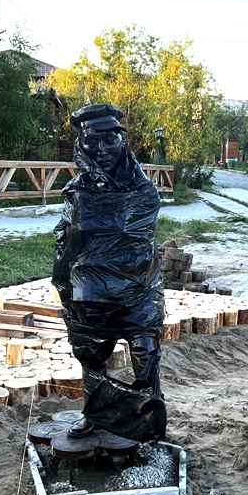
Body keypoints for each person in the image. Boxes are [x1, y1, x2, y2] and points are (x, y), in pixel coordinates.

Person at [51, 104, 165, 440]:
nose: (101, 150)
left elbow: (135, 239)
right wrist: (66, 287)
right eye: (92, 142)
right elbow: (68, 241)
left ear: (122, 142)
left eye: (109, 140)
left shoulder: (143, 191)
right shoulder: (77, 191)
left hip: (137, 291)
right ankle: (95, 415)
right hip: (92, 295)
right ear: (81, 147)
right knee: (90, 357)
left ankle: (149, 418)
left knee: (146, 353)